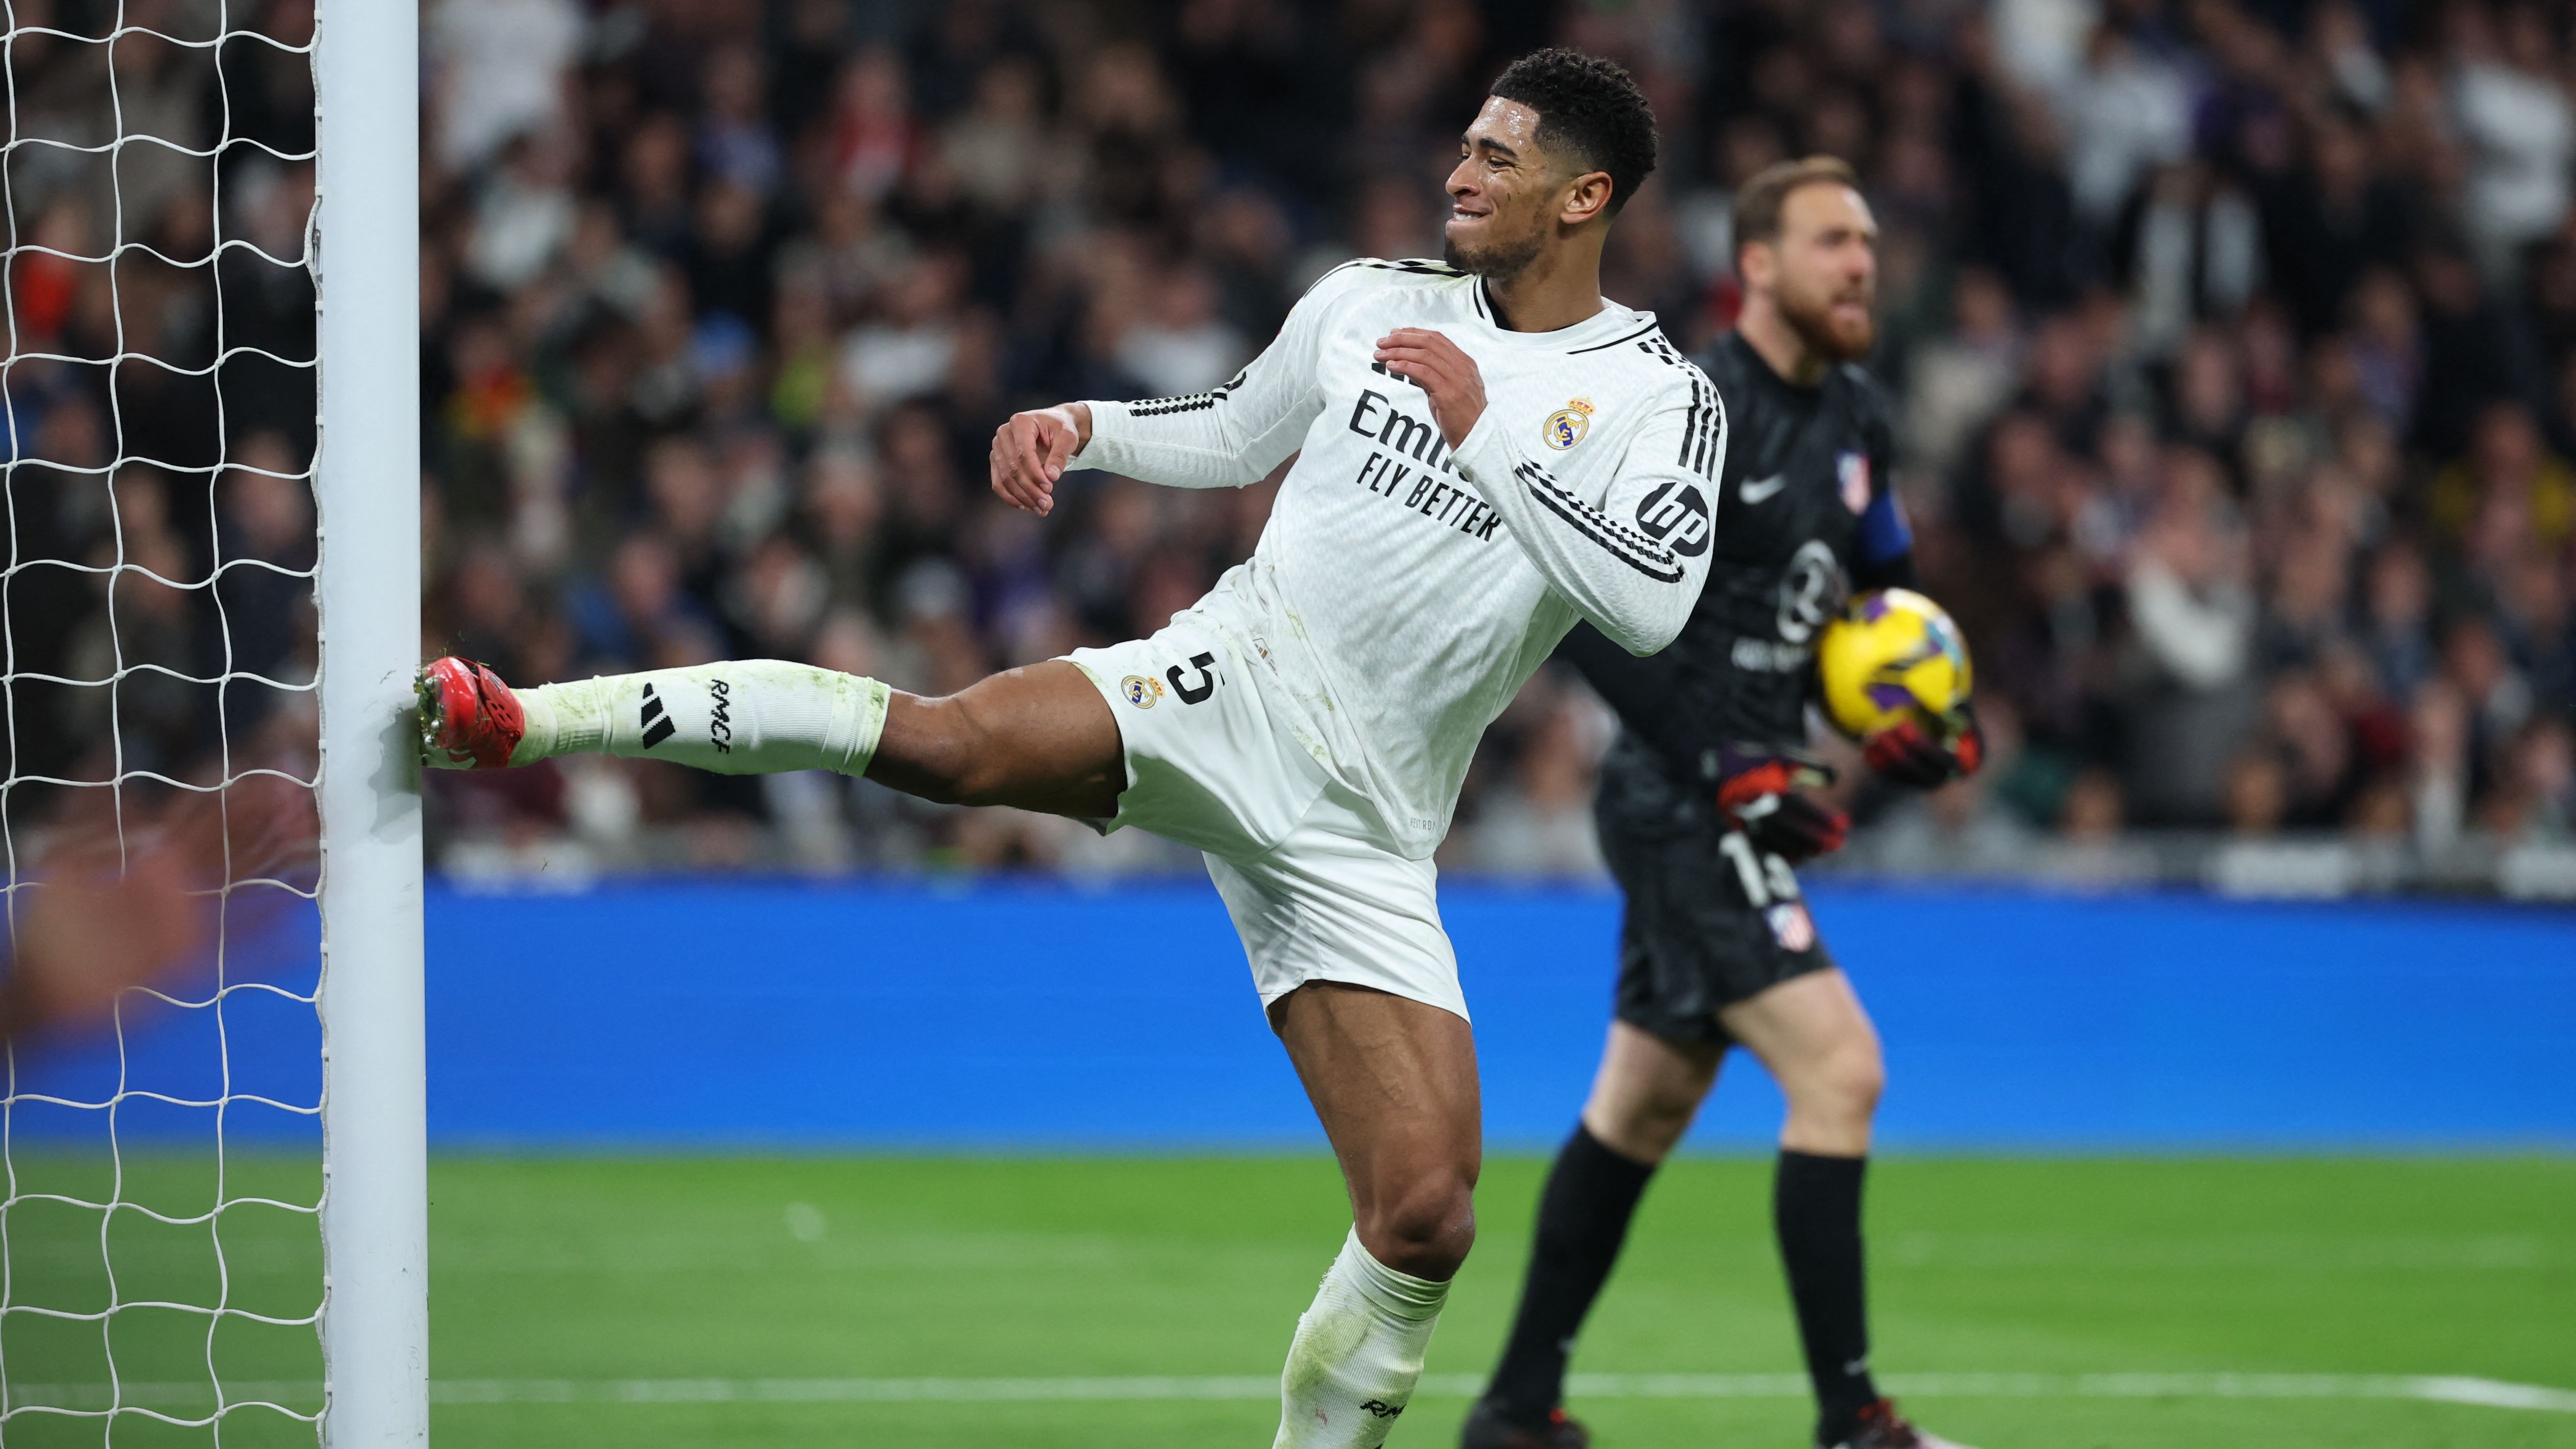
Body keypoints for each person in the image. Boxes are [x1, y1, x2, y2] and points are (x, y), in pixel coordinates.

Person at [421, 50, 1721, 1448]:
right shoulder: (1369, 300)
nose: (1463, 172)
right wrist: (1082, 425)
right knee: (945, 745)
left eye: (1502, 158)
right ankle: (530, 717)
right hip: (1236, 679)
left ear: (1587, 197)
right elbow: (1233, 431)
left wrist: (1485, 438)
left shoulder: (1658, 396)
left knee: (1426, 1213)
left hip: (1369, 827)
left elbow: (1650, 605)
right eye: (1466, 144)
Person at [1460, 156, 1984, 1449]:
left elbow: (1878, 612)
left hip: (1754, 789)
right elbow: (1574, 603)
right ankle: (1855, 1420)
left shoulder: (1858, 418)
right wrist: (1720, 761)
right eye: (1830, 242)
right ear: (1758, 264)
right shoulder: (1687, 409)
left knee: (1644, 1102)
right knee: (1841, 1070)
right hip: (1678, 790)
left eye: (1867, 241)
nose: (1861, 263)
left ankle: (1518, 1407)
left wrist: (1908, 723)